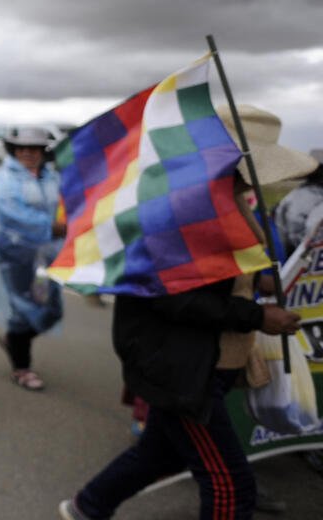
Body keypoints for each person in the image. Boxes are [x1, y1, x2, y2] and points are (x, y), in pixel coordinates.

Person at [58, 105, 313, 520]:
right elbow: (171, 296)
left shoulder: (222, 194)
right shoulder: (182, 208)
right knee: (231, 487)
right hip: (180, 366)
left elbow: (215, 276)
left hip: (194, 361)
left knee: (159, 454)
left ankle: (86, 507)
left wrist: (257, 281)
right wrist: (256, 317)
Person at [0, 127, 63, 391]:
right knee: (23, 308)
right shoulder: (5, 178)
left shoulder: (51, 177)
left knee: (49, 307)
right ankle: (22, 368)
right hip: (15, 254)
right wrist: (50, 226)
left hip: (43, 255)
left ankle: (12, 339)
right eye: (22, 149)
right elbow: (10, 214)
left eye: (34, 149)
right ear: (14, 150)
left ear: (43, 152)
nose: (28, 154)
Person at [275, 161, 323, 256]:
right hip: (308, 253)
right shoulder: (316, 196)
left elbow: (280, 222)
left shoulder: (294, 194)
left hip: (293, 249)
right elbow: (313, 226)